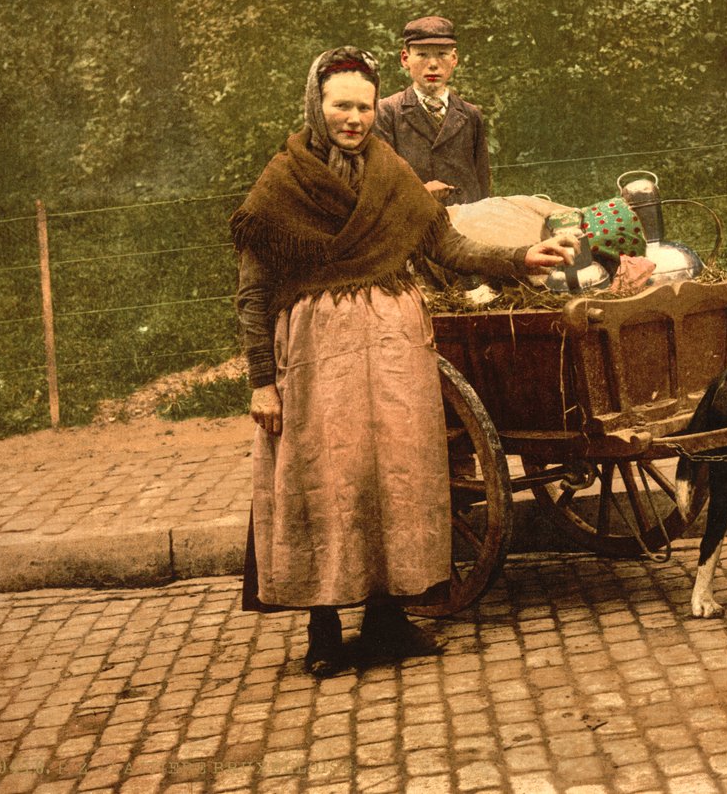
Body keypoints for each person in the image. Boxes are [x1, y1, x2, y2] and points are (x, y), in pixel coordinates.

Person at [231, 46, 572, 678]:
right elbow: (253, 294)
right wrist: (262, 383)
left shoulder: (391, 172)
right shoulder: (282, 183)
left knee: (397, 475)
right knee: (324, 482)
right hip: (314, 354)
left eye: (363, 106)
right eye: (341, 106)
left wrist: (521, 256)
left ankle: (388, 618)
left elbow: (447, 243)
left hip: (394, 351)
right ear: (316, 105)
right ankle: (324, 629)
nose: (354, 118)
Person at [374, 15, 491, 205]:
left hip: (467, 222)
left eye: (442, 54)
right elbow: (382, 181)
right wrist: (420, 193)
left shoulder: (471, 114)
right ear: (405, 59)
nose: (433, 64)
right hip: (413, 221)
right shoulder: (387, 112)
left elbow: (483, 184)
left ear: (454, 59)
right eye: (422, 55)